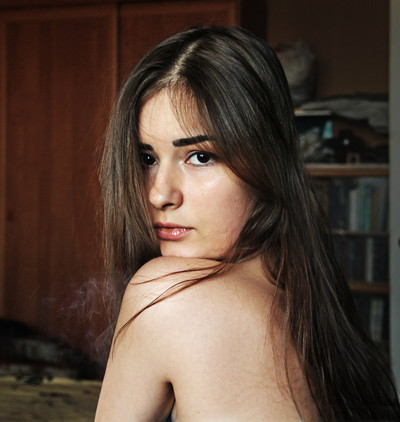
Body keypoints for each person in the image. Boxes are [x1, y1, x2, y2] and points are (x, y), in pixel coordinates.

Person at [94, 26, 400, 421]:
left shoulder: (168, 295)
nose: (159, 194)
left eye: (200, 157)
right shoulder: (304, 295)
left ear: (265, 161)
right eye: (147, 158)